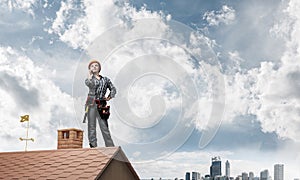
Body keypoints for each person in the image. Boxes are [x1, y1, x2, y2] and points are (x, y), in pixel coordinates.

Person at [84, 60, 116, 147]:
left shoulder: (106, 80)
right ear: (90, 69)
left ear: (99, 68)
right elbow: (89, 84)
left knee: (104, 127)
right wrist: (89, 76)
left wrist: (109, 96)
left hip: (101, 104)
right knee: (91, 126)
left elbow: (113, 89)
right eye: (92, 66)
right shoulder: (89, 79)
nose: (94, 67)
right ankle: (93, 146)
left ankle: (110, 147)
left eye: (96, 65)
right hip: (91, 104)